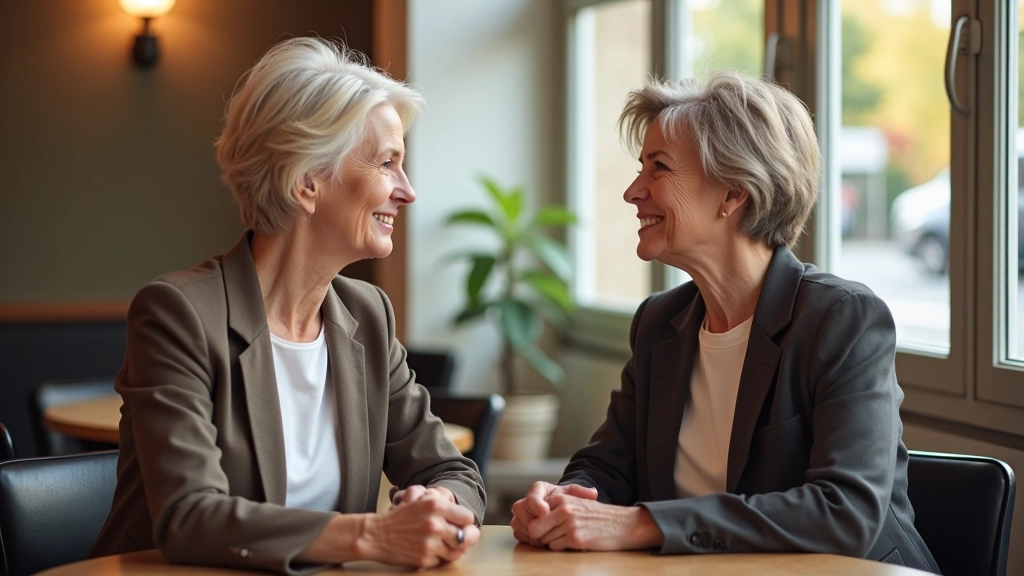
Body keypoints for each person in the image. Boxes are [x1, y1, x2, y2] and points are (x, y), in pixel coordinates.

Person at [510, 71, 939, 573]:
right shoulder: (658, 323)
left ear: (734, 193)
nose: (632, 191)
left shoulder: (842, 319)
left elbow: (844, 512)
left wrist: (643, 523)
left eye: (659, 168)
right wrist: (567, 500)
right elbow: (608, 463)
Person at [89, 37, 484, 574]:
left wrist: (440, 506)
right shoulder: (178, 313)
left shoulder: (368, 315)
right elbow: (190, 517)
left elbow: (452, 470)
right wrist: (372, 535)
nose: (407, 191)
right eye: (388, 163)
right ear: (306, 183)